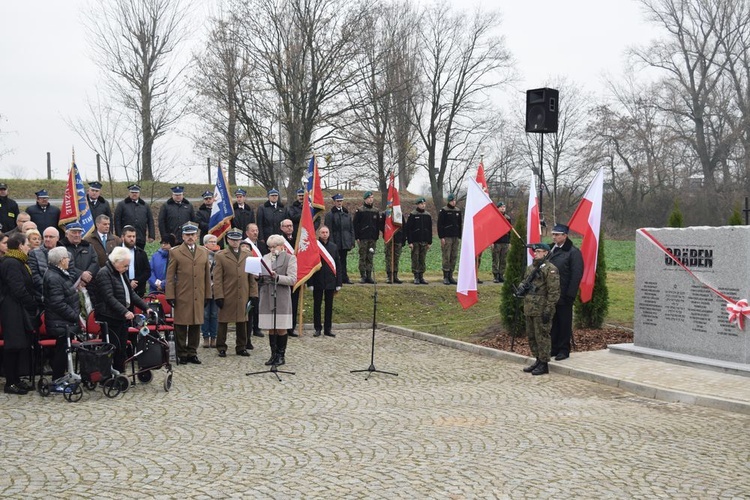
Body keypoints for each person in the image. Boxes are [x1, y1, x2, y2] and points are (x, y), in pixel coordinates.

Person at [91, 247, 152, 373]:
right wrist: (125, 311)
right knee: (113, 347)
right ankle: (109, 373)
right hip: (109, 316)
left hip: (121, 318)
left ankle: (120, 372)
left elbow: (131, 294)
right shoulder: (104, 273)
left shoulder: (121, 272)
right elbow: (109, 297)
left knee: (122, 348)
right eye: (125, 265)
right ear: (116, 261)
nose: (127, 268)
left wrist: (145, 307)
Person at [165, 222, 211, 365]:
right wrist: (170, 295)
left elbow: (206, 276)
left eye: (192, 235)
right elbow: (170, 276)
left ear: (197, 236)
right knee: (181, 325)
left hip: (199, 294)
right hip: (182, 294)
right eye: (187, 235)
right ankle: (182, 353)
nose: (190, 237)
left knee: (196, 324)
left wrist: (208, 294)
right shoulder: (175, 252)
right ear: (183, 236)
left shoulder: (204, 251)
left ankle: (192, 352)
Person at [0, 233, 38, 394]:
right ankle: (10, 382)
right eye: (27, 244)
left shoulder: (19, 261)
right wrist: (31, 302)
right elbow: (18, 288)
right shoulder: (11, 263)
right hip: (12, 308)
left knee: (19, 345)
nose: (29, 247)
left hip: (18, 307)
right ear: (20, 246)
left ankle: (16, 379)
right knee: (13, 346)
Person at [43, 247, 81, 386]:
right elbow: (57, 303)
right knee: (61, 351)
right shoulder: (53, 277)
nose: (68, 260)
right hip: (60, 322)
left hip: (64, 321)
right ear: (60, 260)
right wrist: (74, 316)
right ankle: (57, 380)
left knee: (64, 350)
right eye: (66, 258)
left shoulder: (60, 274)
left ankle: (61, 377)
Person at [213, 229, 255, 357]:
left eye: (237, 239)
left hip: (243, 292)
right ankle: (221, 346)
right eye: (232, 239)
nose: (235, 242)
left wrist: (254, 294)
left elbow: (252, 277)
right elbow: (217, 278)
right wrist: (218, 295)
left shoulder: (248, 255)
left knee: (242, 321)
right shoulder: (220, 255)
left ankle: (241, 346)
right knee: (223, 321)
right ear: (228, 240)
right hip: (227, 292)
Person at [520, 243, 560, 376]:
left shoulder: (551, 269)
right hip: (530, 307)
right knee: (531, 336)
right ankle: (537, 359)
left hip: (541, 308)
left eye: (538, 251)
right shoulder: (531, 268)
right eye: (535, 251)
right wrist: (521, 288)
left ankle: (544, 363)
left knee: (542, 336)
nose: (535, 253)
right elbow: (525, 281)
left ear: (546, 253)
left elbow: (553, 291)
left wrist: (548, 309)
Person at [547, 223, 584, 361]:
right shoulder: (550, 249)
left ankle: (564, 349)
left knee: (564, 322)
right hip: (551, 293)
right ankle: (554, 347)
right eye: (553, 234)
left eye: (557, 234)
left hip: (564, 294)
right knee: (554, 322)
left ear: (565, 236)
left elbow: (576, 274)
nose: (554, 237)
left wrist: (570, 294)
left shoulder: (573, 252)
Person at [259, 234, 297, 366]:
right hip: (267, 294)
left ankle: (281, 355)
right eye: (270, 247)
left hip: (281, 296)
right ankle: (273, 354)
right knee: (271, 327)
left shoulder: (290, 258)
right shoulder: (265, 258)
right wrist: (258, 277)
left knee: (281, 327)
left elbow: (292, 279)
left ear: (281, 246)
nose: (272, 249)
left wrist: (277, 277)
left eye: (274, 246)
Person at [309, 225, 341, 337]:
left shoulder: (333, 247)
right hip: (317, 281)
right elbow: (311, 265)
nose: (325, 234)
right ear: (319, 234)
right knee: (317, 306)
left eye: (326, 232)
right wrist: (310, 282)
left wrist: (338, 283)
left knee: (329, 306)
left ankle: (328, 329)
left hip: (330, 281)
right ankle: (317, 328)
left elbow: (338, 265)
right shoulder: (314, 246)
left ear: (329, 233)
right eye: (322, 232)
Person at [28, 226, 66, 303]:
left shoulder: (66, 253)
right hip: (42, 296)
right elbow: (34, 275)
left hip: (63, 295)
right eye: (45, 237)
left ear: (57, 238)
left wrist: (60, 289)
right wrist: (49, 289)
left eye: (51, 237)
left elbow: (71, 273)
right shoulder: (34, 253)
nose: (47, 239)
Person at [325, 193, 355, 285]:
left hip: (345, 241)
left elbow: (351, 228)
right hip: (335, 241)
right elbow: (328, 229)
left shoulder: (346, 214)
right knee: (335, 261)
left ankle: (344, 277)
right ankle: (336, 278)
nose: (339, 203)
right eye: (338, 201)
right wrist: (331, 243)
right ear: (334, 202)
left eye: (341, 201)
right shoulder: (330, 215)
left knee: (344, 260)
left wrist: (351, 241)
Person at [114, 184, 155, 249]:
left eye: (136, 192)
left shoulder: (145, 206)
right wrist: (119, 235)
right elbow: (117, 221)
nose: (134, 194)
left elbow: (150, 221)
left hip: (140, 238)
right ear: (129, 193)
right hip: (126, 239)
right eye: (132, 192)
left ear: (139, 193)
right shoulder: (121, 205)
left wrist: (151, 235)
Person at [353, 191, 380, 284]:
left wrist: (376, 236)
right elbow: (355, 225)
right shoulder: (360, 211)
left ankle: (369, 276)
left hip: (372, 238)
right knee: (363, 256)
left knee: (370, 257)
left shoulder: (376, 211)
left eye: (372, 197)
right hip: (363, 238)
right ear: (365, 199)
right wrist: (357, 237)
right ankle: (363, 276)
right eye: (369, 198)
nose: (371, 199)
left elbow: (378, 225)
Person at [243, 222, 264, 340]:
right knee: (250, 307)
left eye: (256, 230)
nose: (255, 232)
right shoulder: (244, 245)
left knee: (257, 305)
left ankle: (257, 327)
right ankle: (248, 330)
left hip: (259, 278)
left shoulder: (261, 245)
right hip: (248, 280)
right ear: (247, 233)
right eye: (253, 230)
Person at [404, 197, 432, 285]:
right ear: (417, 204)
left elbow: (429, 229)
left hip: (424, 241)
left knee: (422, 259)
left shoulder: (427, 215)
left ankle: (421, 276)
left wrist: (429, 242)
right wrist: (410, 242)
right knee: (415, 258)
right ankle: (416, 276)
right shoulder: (413, 215)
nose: (423, 205)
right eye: (421, 204)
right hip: (415, 241)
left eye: (424, 204)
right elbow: (408, 229)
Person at [61, 222, 99, 286]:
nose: (77, 235)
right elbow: (63, 265)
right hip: (69, 283)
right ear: (66, 234)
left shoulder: (88, 246)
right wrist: (80, 274)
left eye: (79, 232)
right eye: (74, 232)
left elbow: (95, 262)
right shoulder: (61, 247)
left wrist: (87, 276)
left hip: (89, 283)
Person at [437, 193, 462, 285]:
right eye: (452, 201)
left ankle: (451, 275)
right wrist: (441, 237)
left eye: (454, 200)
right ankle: (446, 276)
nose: (453, 202)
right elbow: (440, 224)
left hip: (455, 237)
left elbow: (460, 224)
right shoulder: (444, 210)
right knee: (446, 256)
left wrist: (459, 236)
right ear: (449, 201)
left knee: (454, 255)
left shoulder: (457, 211)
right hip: (447, 237)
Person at [201, 233, 220, 349]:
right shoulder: (202, 255)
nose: (213, 244)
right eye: (211, 242)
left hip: (216, 288)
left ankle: (214, 337)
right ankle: (205, 337)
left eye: (215, 242)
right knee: (205, 314)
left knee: (215, 314)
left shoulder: (220, 255)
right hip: (205, 287)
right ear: (205, 243)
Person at [120, 225, 151, 297]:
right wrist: (128, 283)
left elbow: (147, 271)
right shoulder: (116, 252)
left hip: (138, 290)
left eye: (134, 236)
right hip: (121, 291)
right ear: (122, 237)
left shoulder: (141, 253)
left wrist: (136, 281)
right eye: (129, 236)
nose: (132, 239)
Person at [256, 188, 287, 255]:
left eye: (276, 195)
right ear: (268, 197)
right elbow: (259, 224)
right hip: (267, 236)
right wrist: (261, 237)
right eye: (272, 195)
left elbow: (285, 222)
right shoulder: (262, 208)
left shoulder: (282, 208)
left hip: (279, 236)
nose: (274, 197)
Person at [380, 208, 404, 284]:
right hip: (389, 239)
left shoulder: (399, 213)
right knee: (389, 257)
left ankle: (395, 275)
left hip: (398, 238)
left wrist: (403, 239)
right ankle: (389, 275)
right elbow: (381, 225)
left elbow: (403, 226)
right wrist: (387, 233)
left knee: (396, 258)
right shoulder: (385, 214)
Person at [491, 202, 512, 283]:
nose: (503, 208)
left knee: (503, 259)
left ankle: (501, 275)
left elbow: (510, 230)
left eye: (504, 207)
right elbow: (491, 230)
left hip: (505, 241)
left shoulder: (508, 218)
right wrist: (492, 242)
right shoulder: (494, 217)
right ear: (498, 208)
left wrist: (509, 241)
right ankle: (495, 275)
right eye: (501, 207)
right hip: (497, 241)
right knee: (495, 259)